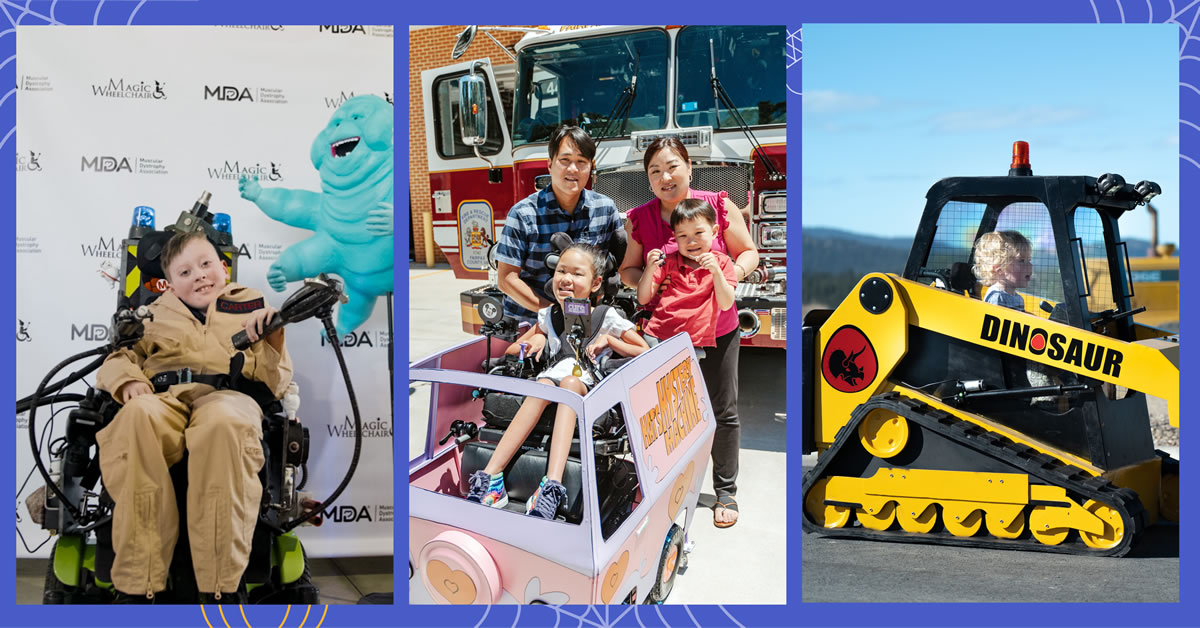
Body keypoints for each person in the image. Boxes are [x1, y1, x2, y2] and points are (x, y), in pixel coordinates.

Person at [95, 230, 292, 603]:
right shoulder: (151, 313)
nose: (199, 275)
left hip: (227, 396)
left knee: (223, 424)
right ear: (169, 284)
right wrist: (128, 383)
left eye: (206, 264)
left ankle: (218, 588)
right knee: (137, 417)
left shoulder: (252, 306)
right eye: (185, 272)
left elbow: (278, 382)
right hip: (163, 397)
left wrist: (274, 338)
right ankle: (139, 586)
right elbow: (119, 357)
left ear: (224, 267)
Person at [618, 136, 758, 528]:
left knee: (722, 410)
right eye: (655, 171)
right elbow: (627, 272)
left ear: (689, 166)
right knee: (667, 412)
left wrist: (730, 274)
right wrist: (646, 273)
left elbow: (749, 251)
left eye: (672, 166)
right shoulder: (640, 218)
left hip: (719, 329)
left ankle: (725, 491)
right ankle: (669, 484)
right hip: (667, 334)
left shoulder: (716, 205)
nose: (665, 176)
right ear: (647, 179)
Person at [467, 244, 648, 519]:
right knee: (544, 385)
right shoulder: (548, 316)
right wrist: (535, 340)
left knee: (568, 385)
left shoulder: (605, 317)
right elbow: (511, 350)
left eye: (577, 274)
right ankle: (491, 477)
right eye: (561, 271)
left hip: (586, 380)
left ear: (596, 282)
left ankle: (552, 486)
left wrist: (609, 340)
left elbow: (644, 351)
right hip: (551, 379)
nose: (565, 278)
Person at [494, 125, 621, 325]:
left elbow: (617, 265)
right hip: (529, 322)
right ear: (550, 164)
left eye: (581, 161)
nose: (573, 169)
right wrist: (553, 314)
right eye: (565, 160)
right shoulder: (523, 214)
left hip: (586, 323)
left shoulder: (605, 209)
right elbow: (506, 279)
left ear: (590, 166)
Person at [637, 199, 737, 351]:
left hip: (696, 342)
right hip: (658, 336)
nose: (691, 241)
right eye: (683, 235)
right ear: (674, 236)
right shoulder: (668, 262)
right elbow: (643, 298)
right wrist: (649, 269)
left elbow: (726, 303)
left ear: (714, 232)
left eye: (698, 232)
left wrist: (716, 272)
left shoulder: (722, 263)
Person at [974, 230, 1033, 311]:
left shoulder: (1019, 299)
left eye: (1029, 260)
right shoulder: (997, 298)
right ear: (999, 268)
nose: (1030, 265)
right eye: (1021, 260)